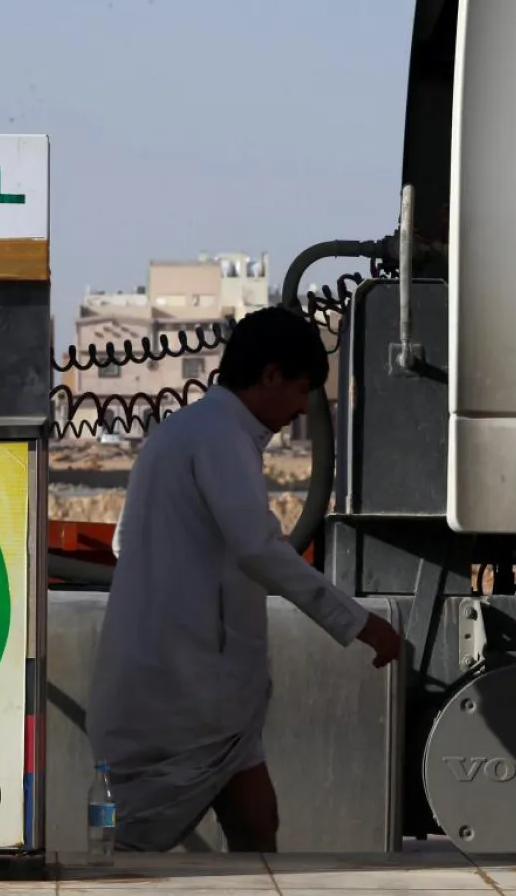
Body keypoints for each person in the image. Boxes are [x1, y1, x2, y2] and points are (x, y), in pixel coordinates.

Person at [85, 305, 404, 853]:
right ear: (271, 375)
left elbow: (125, 544)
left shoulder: (186, 432)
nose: (302, 407)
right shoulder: (218, 436)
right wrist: (359, 623)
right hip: (182, 692)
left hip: (207, 694)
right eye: (300, 389)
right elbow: (258, 546)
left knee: (257, 822)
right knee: (133, 846)